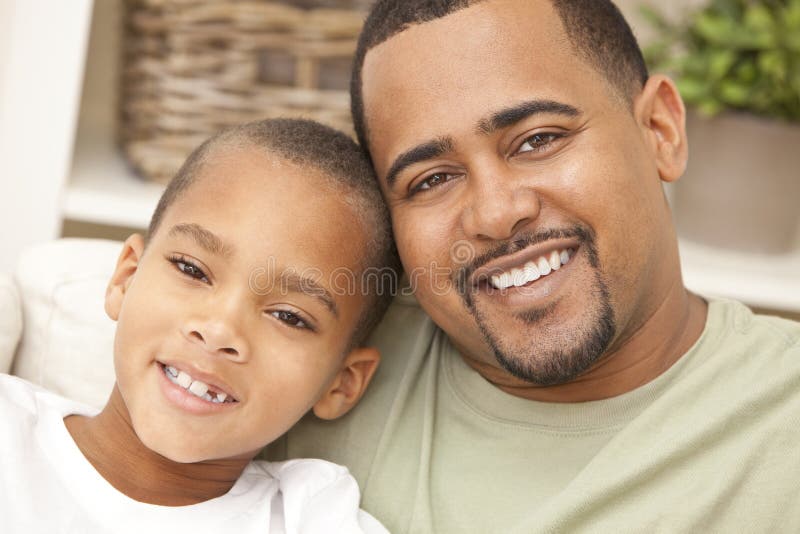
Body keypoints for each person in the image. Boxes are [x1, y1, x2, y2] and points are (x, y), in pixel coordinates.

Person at [269, 1, 800, 532]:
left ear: (661, 131)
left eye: (538, 140)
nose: (497, 214)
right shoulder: (307, 368)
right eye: (431, 179)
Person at [0, 118, 398, 533]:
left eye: (288, 316)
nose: (219, 330)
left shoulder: (314, 519)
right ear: (126, 278)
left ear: (342, 382)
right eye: (192, 269)